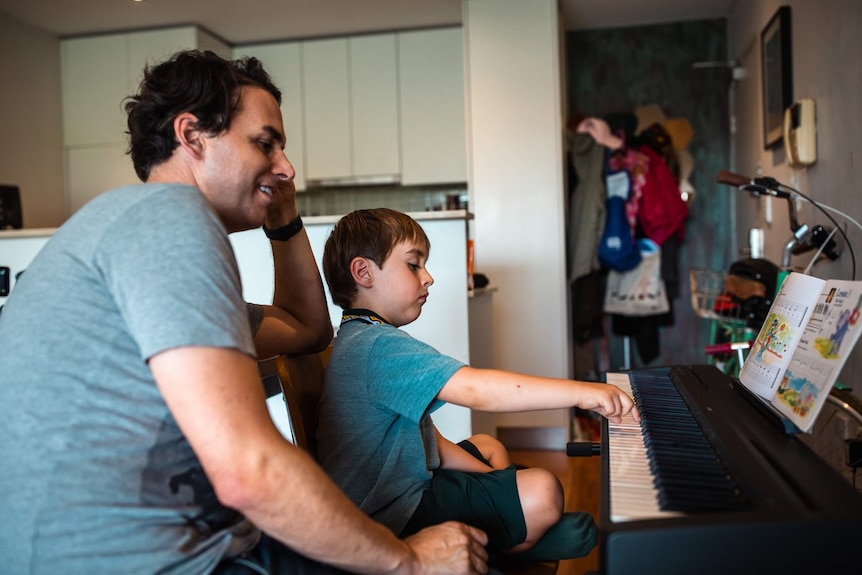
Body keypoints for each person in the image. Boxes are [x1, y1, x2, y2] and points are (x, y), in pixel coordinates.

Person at [0, 50, 489, 574]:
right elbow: (246, 468)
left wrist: (283, 218)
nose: (286, 167)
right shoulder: (170, 223)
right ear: (192, 136)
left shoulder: (134, 227)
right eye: (264, 143)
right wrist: (407, 560)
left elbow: (307, 331)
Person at [318, 208, 641, 561]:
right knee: (544, 490)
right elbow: (477, 390)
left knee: (489, 446)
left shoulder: (360, 336)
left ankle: (511, 532)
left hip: (403, 488)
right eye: (413, 265)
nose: (428, 278)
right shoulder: (378, 345)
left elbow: (429, 443)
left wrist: (490, 482)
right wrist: (583, 392)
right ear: (363, 272)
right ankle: (505, 544)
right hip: (391, 517)